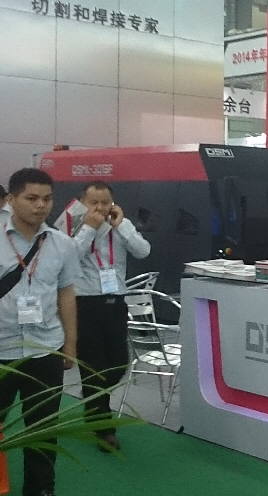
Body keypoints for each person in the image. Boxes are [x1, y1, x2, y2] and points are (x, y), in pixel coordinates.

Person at [0, 168, 80, 496]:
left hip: (45, 348)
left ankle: (41, 490)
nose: (41, 206)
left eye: (47, 199)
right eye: (31, 198)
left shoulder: (62, 244)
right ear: (11, 199)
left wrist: (70, 344)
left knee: (44, 429)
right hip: (1, 351)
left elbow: (66, 294)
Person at [71, 181, 151, 452]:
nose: (100, 207)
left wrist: (122, 226)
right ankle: (103, 429)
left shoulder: (120, 226)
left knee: (118, 364)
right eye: (94, 202)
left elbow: (143, 251)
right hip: (85, 304)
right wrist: (89, 228)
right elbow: (70, 257)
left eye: (105, 202)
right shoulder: (73, 226)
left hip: (115, 303)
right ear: (83, 203)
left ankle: (92, 396)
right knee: (93, 366)